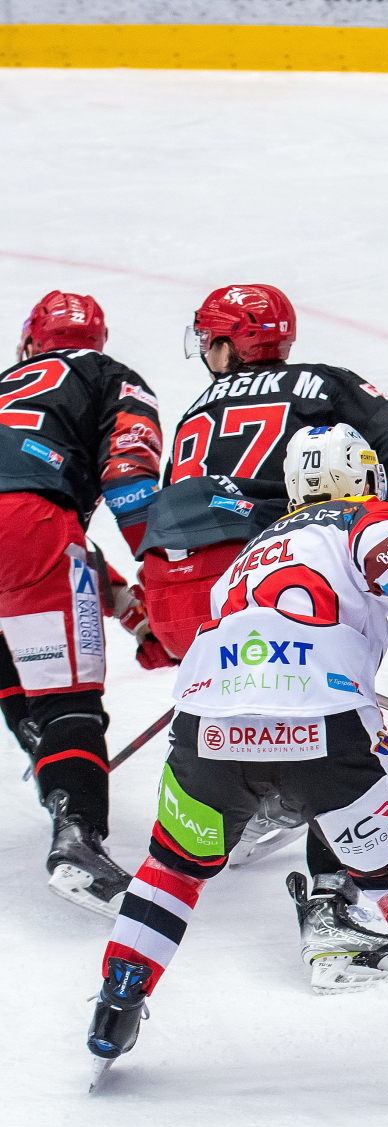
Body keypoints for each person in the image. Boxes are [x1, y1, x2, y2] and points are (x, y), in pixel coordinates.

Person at [87, 423, 388, 1099]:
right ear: (364, 478)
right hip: (327, 732)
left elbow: (273, 691)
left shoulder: (251, 553)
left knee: (171, 870)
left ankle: (116, 1004)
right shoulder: (363, 520)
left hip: (208, 728)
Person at [138, 282, 388, 989]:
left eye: (209, 340)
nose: (206, 352)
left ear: (229, 343)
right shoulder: (323, 384)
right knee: (331, 707)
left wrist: (164, 618)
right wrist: (379, 531)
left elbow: (170, 506)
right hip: (282, 576)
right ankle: (332, 910)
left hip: (180, 590)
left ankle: (246, 804)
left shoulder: (195, 408)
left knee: (251, 700)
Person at [0, 290, 167, 912]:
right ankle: (78, 837)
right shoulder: (106, 375)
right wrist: (167, 579)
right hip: (31, 529)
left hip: (30, 533)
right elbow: (127, 477)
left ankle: (48, 752)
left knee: (16, 664)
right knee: (66, 697)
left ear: (29, 342)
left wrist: (127, 606)